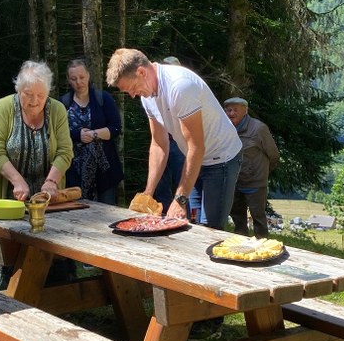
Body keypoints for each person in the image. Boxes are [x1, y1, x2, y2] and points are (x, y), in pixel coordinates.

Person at [105, 49, 242, 229]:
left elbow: (196, 147)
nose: (132, 95)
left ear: (141, 72)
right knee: (190, 225)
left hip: (221, 158)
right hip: (196, 159)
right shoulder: (147, 95)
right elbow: (159, 144)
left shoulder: (180, 86)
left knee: (210, 230)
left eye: (132, 88)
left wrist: (179, 199)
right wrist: (148, 192)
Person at [0, 60, 73, 290]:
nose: (34, 101)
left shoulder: (57, 110)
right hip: (10, 202)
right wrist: (17, 180)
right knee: (10, 258)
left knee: (54, 255)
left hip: (49, 203)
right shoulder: (5, 107)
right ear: (18, 90)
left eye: (41, 96)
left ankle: (57, 302)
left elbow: (65, 151)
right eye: (28, 94)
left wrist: (51, 181)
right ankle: (6, 299)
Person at [59, 58, 123, 203]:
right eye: (74, 79)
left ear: (88, 75)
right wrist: (78, 135)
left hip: (104, 171)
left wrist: (94, 134)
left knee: (106, 210)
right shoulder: (63, 103)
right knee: (77, 212)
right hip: (73, 172)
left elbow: (115, 127)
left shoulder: (103, 99)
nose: (79, 82)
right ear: (68, 80)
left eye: (82, 77)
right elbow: (57, 134)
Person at [223, 96, 280, 237]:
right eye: (228, 110)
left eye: (235, 110)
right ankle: (240, 244)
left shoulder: (258, 128)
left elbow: (273, 155)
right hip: (234, 182)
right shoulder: (224, 128)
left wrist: (261, 173)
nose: (231, 113)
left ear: (245, 111)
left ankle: (263, 245)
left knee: (258, 218)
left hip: (255, 183)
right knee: (238, 219)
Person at [153, 57, 188, 214]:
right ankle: (164, 214)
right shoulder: (155, 93)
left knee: (183, 181)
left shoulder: (182, 88)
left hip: (180, 144)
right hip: (163, 143)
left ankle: (185, 214)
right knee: (161, 182)